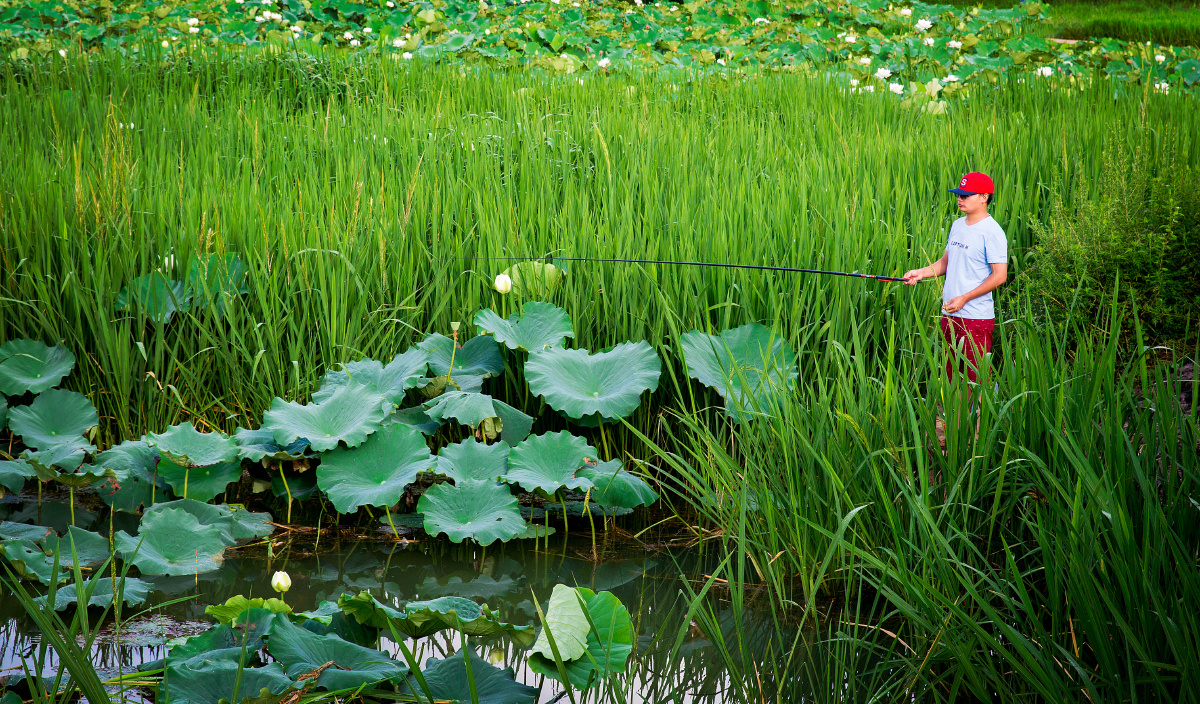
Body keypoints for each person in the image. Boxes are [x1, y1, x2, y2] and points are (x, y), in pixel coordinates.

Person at [903, 172, 1008, 384]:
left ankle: (983, 408)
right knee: (952, 379)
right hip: (950, 315)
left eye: (966, 195)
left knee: (976, 381)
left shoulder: (992, 232)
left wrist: (965, 298)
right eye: (959, 195)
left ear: (984, 197)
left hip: (976, 319)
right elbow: (946, 262)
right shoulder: (958, 225)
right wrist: (920, 272)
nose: (960, 199)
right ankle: (955, 408)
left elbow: (1000, 276)